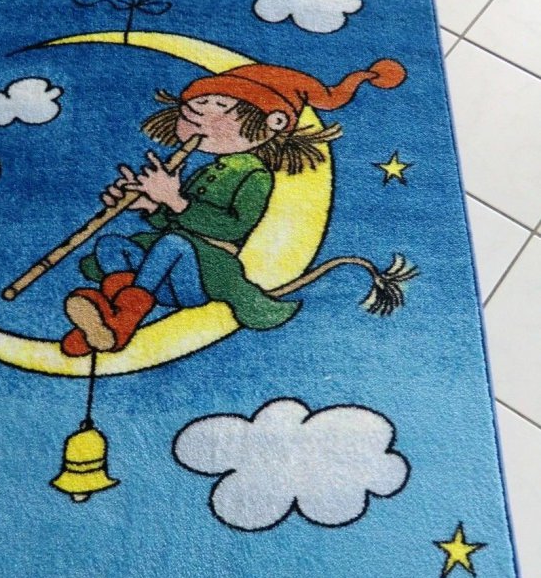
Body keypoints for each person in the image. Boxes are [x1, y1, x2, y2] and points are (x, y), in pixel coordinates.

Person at [61, 58, 406, 357]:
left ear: (272, 123)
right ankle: (106, 325)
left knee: (173, 244)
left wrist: (175, 200)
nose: (195, 111)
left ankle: (123, 323)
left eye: (218, 104)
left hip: (201, 273)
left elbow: (232, 227)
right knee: (111, 246)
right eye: (198, 102)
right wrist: (150, 205)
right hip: (160, 276)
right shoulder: (208, 169)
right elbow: (175, 220)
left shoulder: (255, 175)